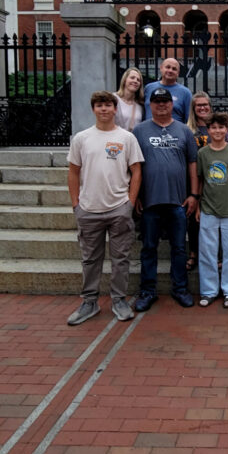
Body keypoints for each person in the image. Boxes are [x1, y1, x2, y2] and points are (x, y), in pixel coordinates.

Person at [67, 91, 143, 326]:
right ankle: (89, 301)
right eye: (99, 105)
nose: (104, 109)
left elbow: (137, 171)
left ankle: (119, 300)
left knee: (120, 258)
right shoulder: (81, 138)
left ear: (114, 108)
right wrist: (75, 204)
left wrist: (129, 202)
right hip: (89, 209)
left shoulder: (126, 138)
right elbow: (73, 171)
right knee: (90, 259)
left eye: (108, 105)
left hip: (119, 207)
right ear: (93, 109)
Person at [133, 87, 198, 311]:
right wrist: (137, 196)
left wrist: (194, 195)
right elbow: (134, 167)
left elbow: (192, 163)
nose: (161, 105)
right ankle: (147, 291)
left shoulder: (184, 131)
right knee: (149, 247)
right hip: (150, 201)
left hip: (178, 202)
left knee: (179, 248)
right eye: (157, 101)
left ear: (172, 104)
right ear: (150, 105)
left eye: (165, 101)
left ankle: (180, 289)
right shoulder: (139, 131)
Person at [196, 111, 228, 309]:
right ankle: (209, 291)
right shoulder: (202, 153)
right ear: (208, 130)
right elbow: (200, 181)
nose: (217, 131)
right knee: (207, 251)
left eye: (221, 127)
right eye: (213, 128)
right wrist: (199, 205)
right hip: (209, 208)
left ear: (226, 129)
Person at [185, 91, 213, 272]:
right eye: (198, 105)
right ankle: (193, 253)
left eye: (205, 104)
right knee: (193, 219)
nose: (202, 108)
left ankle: (211, 254)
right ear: (193, 109)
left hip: (214, 180)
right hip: (192, 180)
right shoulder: (187, 130)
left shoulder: (215, 127)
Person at [143, 57, 192, 123]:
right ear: (161, 68)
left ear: (178, 73)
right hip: (149, 131)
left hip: (174, 132)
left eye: (174, 69)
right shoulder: (148, 88)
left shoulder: (185, 93)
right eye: (168, 67)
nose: (170, 70)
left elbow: (189, 120)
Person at [114, 67, 145, 131]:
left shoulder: (140, 105)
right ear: (125, 80)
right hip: (114, 139)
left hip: (133, 140)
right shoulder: (113, 98)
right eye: (132, 78)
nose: (135, 81)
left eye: (138, 80)